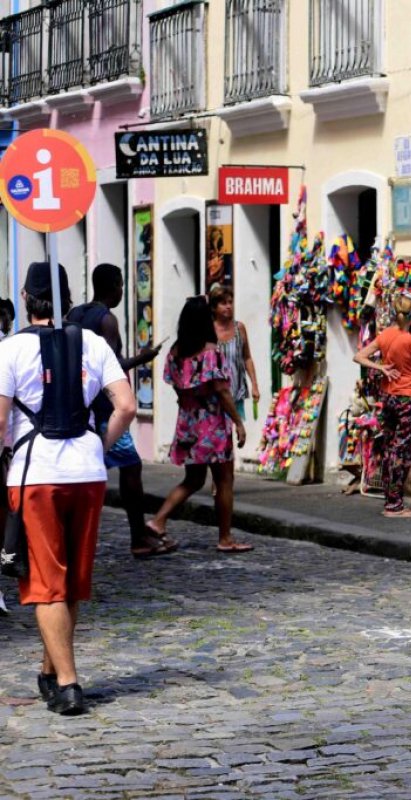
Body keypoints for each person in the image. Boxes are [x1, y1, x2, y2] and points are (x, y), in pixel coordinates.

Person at [0, 262, 136, 715]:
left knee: (44, 583)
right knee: (71, 581)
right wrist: (100, 444)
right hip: (88, 473)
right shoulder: (93, 343)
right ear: (66, 297)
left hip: (36, 472)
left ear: (25, 298)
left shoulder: (10, 350)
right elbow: (127, 406)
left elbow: (0, 421)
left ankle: (70, 682)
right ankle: (50, 671)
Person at [66, 264, 170, 558]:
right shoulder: (107, 320)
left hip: (79, 405)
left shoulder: (74, 314)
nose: (123, 290)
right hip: (104, 408)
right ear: (113, 286)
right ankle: (138, 536)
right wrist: (143, 357)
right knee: (131, 468)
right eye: (121, 285)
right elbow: (109, 367)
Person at [147, 297, 250, 552]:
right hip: (212, 421)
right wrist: (238, 422)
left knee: (193, 479)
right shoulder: (210, 353)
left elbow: (176, 388)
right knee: (224, 479)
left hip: (188, 421)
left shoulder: (175, 352)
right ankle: (225, 537)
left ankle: (158, 520)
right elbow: (222, 391)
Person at [352, 296, 411, 518]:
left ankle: (390, 499)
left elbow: (358, 356)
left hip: (388, 396)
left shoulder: (386, 335)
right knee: (403, 450)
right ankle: (395, 505)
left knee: (389, 447)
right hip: (407, 396)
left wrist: (381, 368)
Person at [208, 284, 260, 423]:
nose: (228, 306)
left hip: (236, 392)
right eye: (223, 303)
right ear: (214, 307)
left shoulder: (239, 328)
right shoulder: (209, 331)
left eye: (230, 302)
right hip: (215, 395)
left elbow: (247, 357)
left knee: (234, 431)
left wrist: (254, 385)